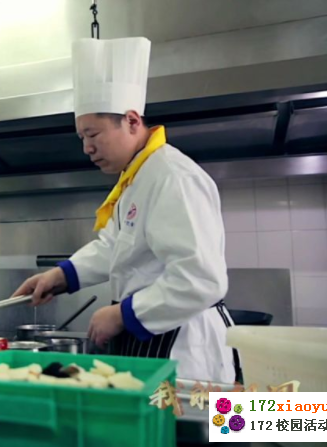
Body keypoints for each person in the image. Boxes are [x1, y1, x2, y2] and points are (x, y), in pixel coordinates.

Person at [13, 37, 239, 383]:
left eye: (93, 134)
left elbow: (201, 278)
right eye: (81, 138)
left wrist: (123, 315)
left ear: (132, 121)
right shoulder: (136, 178)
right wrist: (61, 276)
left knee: (190, 419)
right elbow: (116, 247)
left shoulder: (172, 176)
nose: (87, 148)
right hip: (150, 341)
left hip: (184, 347)